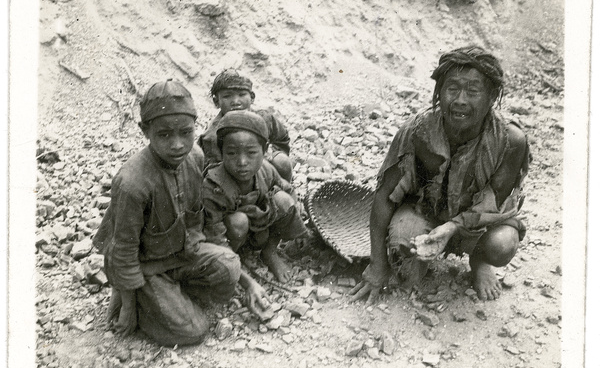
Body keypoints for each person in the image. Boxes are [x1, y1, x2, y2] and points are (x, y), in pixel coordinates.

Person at [93, 79, 270, 347]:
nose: (177, 145)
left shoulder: (195, 158)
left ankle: (165, 297)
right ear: (145, 130)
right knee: (193, 331)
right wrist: (127, 306)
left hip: (180, 255)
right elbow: (123, 250)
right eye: (164, 135)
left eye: (185, 133)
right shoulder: (132, 182)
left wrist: (248, 283)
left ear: (194, 128)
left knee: (229, 266)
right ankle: (140, 297)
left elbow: (205, 228)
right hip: (146, 265)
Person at [350, 46, 531, 304]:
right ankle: (418, 253)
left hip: (481, 224)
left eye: (473, 91)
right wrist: (377, 266)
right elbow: (384, 197)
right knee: (405, 269)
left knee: (502, 245)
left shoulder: (510, 140)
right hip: (428, 213)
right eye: (452, 88)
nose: (460, 100)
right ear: (439, 92)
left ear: (491, 97)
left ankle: (479, 261)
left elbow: (493, 203)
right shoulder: (417, 132)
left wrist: (452, 227)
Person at [203, 110, 307, 284]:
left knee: (283, 200)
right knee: (238, 222)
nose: (242, 162)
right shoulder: (213, 186)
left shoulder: (265, 169)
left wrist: (297, 224)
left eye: (251, 153)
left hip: (259, 229)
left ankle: (270, 251)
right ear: (221, 153)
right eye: (232, 153)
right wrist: (240, 276)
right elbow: (215, 237)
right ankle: (235, 261)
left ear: (265, 151)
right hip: (231, 237)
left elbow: (288, 190)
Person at [198, 69, 294, 182]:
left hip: (263, 171)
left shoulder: (265, 118)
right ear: (216, 101)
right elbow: (213, 171)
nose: (235, 101)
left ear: (252, 97)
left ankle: (281, 191)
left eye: (242, 94)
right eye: (227, 96)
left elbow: (282, 139)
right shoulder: (213, 135)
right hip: (232, 178)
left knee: (282, 162)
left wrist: (269, 153)